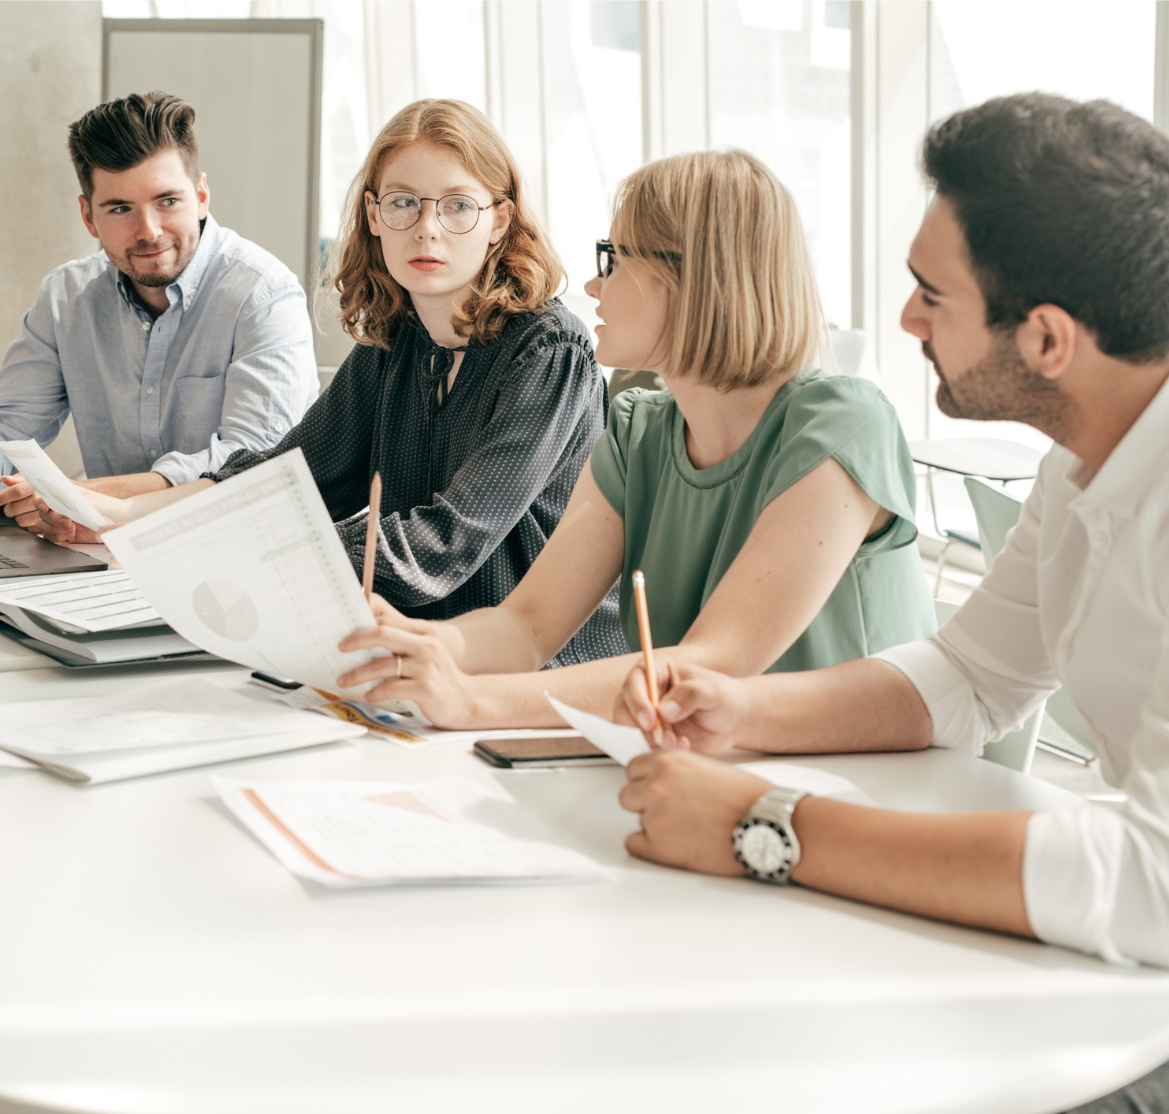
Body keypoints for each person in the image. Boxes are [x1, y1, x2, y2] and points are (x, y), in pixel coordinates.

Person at [613, 94, 1169, 1109]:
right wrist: (744, 708)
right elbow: (973, 673)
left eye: (931, 294)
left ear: (1048, 339)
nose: (904, 319)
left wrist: (766, 824)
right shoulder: (1089, 453)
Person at [334, 149, 933, 726]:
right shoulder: (635, 431)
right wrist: (414, 643)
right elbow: (527, 628)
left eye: (613, 260)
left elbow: (715, 664)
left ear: (694, 277)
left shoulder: (841, 423)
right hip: (710, 769)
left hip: (861, 788)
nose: (594, 288)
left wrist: (470, 701)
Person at [52, 98, 621, 664]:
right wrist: (123, 519)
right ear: (374, 215)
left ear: (499, 219)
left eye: (457, 207)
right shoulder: (395, 341)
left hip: (533, 673)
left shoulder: (550, 352)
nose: (427, 229)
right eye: (403, 203)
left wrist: (213, 554)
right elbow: (284, 478)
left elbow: (445, 543)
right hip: (404, 653)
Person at [0, 90, 317, 511]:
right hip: (106, 551)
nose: (149, 230)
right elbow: (5, 425)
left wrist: (79, 496)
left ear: (202, 195)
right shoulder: (67, 297)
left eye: (167, 201)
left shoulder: (263, 294)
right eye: (120, 209)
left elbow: (255, 461)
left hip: (238, 545)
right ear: (88, 216)